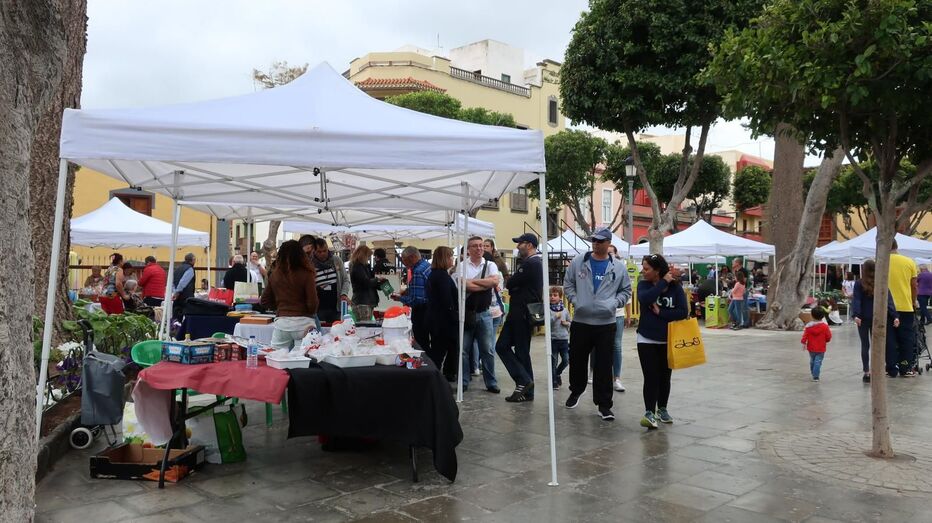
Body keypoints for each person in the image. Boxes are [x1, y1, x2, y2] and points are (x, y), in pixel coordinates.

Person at [563, 228, 632, 421]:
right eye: (594, 240)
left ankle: (604, 405)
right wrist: (576, 300)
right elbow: (568, 283)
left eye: (600, 241)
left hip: (606, 322)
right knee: (577, 359)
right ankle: (576, 390)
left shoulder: (618, 267)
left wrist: (614, 303)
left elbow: (626, 290)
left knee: (604, 364)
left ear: (608, 243)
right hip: (581, 320)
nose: (596, 244)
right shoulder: (579, 261)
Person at [636, 254, 688, 429]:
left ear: (657, 270)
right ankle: (649, 412)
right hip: (646, 338)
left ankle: (662, 409)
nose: (643, 271)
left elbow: (683, 312)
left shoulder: (675, 288)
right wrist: (662, 283)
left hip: (669, 339)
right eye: (643, 268)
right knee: (650, 377)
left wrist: (661, 313)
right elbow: (646, 298)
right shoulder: (643, 285)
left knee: (665, 377)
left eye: (647, 268)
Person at [496, 233, 543, 403]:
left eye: (520, 243)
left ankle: (524, 382)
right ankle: (526, 387)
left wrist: (513, 285)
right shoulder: (533, 263)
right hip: (520, 312)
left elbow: (510, 283)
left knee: (506, 347)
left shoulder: (531, 263)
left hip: (521, 313)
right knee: (513, 349)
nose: (517, 247)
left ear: (529, 245)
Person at [459, 236, 501, 394]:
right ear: (468, 249)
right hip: (466, 313)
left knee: (488, 350)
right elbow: (463, 285)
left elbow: (494, 282)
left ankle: (491, 382)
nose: (479, 248)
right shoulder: (462, 266)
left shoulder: (491, 264)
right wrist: (485, 283)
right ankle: (463, 381)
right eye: (475, 246)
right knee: (463, 350)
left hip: (485, 313)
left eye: (481, 246)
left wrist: (471, 283)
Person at [260, 240, 318, 350]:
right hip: (304, 323)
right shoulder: (307, 274)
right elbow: (312, 303)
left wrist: (280, 307)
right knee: (303, 359)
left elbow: (264, 301)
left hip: (282, 323)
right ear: (301, 254)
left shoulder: (275, 274)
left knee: (276, 358)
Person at [851, 259, 899, 383]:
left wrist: (856, 315)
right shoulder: (881, 283)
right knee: (877, 345)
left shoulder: (859, 284)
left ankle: (867, 372)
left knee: (865, 345)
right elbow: (888, 300)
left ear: (864, 270)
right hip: (877, 317)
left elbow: (857, 300)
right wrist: (895, 316)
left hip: (862, 318)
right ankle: (877, 370)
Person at [887, 239, 919, 377]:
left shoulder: (879, 262)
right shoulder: (909, 262)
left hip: (886, 307)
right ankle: (905, 368)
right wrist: (913, 301)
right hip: (905, 306)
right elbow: (914, 285)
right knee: (906, 339)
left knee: (889, 339)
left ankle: (891, 368)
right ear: (897, 246)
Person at [426, 246, 459, 381]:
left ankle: (444, 375)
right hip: (443, 321)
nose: (452, 259)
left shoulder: (436, 274)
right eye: (450, 256)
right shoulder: (442, 276)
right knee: (440, 351)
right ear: (444, 258)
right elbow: (447, 300)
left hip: (437, 318)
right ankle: (436, 377)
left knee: (443, 349)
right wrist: (454, 317)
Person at [392, 246, 431, 353]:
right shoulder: (426, 265)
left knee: (421, 341)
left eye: (404, 260)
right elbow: (422, 290)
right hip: (430, 309)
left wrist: (400, 298)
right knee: (426, 340)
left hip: (422, 312)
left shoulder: (418, 271)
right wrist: (408, 291)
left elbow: (416, 300)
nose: (404, 264)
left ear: (412, 257)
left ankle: (423, 363)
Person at [607, 243, 629, 392]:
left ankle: (617, 378)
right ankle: (594, 373)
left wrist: (627, 313)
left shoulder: (621, 270)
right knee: (597, 347)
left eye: (611, 253)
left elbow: (627, 293)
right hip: (600, 315)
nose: (609, 255)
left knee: (616, 345)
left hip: (617, 314)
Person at [312, 237, 350, 324]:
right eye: (319, 252)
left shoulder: (336, 260)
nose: (322, 254)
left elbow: (345, 280)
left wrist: (344, 293)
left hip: (336, 307)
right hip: (319, 308)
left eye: (325, 251)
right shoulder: (310, 264)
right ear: (314, 251)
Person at [348, 244, 384, 321]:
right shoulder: (357, 267)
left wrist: (380, 283)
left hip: (365, 301)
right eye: (367, 256)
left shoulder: (364, 267)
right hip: (362, 302)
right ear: (363, 255)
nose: (368, 259)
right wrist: (377, 279)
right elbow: (366, 282)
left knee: (365, 327)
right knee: (365, 327)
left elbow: (369, 282)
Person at [801, 307, 832, 381]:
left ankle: (813, 372)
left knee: (812, 360)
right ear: (823, 316)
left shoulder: (808, 326)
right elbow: (828, 336)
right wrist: (826, 340)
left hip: (811, 347)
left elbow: (805, 335)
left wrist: (804, 342)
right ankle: (816, 376)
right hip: (821, 348)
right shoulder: (825, 326)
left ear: (812, 315)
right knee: (818, 362)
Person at [549, 286, 570, 390]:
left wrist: (566, 323)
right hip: (553, 339)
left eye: (555, 295)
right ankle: (553, 381)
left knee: (566, 360)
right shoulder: (549, 310)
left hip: (564, 339)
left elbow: (570, 323)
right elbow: (546, 322)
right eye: (550, 295)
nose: (552, 297)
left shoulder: (565, 310)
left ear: (560, 297)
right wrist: (555, 317)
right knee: (554, 361)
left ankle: (557, 373)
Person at [171, 253, 197, 319]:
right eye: (195, 259)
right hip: (186, 296)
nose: (195, 261)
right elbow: (183, 282)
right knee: (188, 316)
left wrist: (174, 292)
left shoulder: (178, 268)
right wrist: (177, 292)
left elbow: (172, 282)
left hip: (177, 297)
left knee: (176, 317)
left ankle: (175, 328)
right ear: (192, 260)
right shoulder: (190, 269)